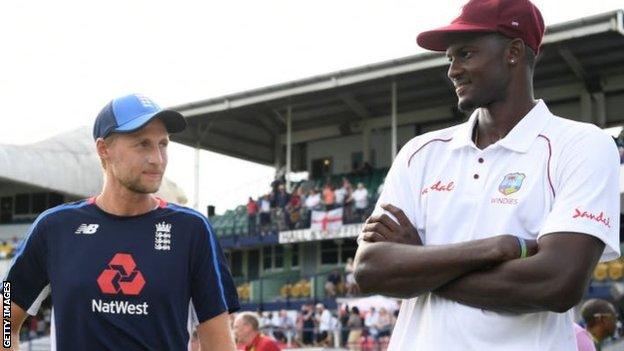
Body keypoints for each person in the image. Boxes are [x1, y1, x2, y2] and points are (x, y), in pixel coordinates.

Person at [353, 1, 620, 350]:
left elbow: (556, 284)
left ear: (513, 52)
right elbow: (371, 270)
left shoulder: (581, 145)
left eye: (465, 54)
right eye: (449, 58)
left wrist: (421, 262)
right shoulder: (420, 152)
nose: (452, 70)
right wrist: (493, 248)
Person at [3, 94, 240, 350]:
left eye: (163, 144)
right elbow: (5, 315)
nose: (157, 159)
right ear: (103, 149)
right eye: (143, 144)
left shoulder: (192, 229)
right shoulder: (54, 227)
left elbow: (220, 343)